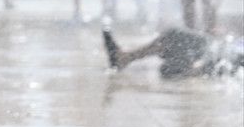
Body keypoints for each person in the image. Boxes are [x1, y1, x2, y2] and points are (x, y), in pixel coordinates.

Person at [103, 27, 242, 78]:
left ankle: (191, 70)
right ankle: (125, 57)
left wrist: (201, 65)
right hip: (218, 45)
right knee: (174, 33)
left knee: (168, 70)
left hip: (224, 56)